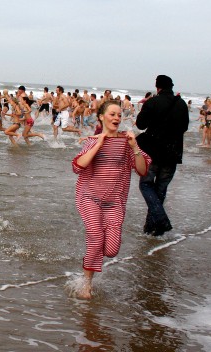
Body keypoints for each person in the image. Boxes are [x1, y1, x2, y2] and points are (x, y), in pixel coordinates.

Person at [72, 100, 150, 300]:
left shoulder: (127, 142)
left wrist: (134, 147)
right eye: (112, 114)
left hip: (114, 201)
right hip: (90, 197)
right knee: (96, 239)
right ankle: (86, 284)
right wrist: (99, 143)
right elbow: (78, 166)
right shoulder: (92, 140)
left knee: (112, 249)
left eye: (119, 115)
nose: (116, 118)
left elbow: (142, 170)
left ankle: (91, 264)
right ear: (101, 117)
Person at [135, 75, 189, 237]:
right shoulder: (181, 104)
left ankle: (161, 219)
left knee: (145, 185)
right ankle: (152, 228)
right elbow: (184, 127)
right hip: (173, 153)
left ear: (157, 87)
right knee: (160, 189)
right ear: (171, 87)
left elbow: (140, 124)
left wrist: (146, 107)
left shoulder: (152, 102)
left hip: (153, 152)